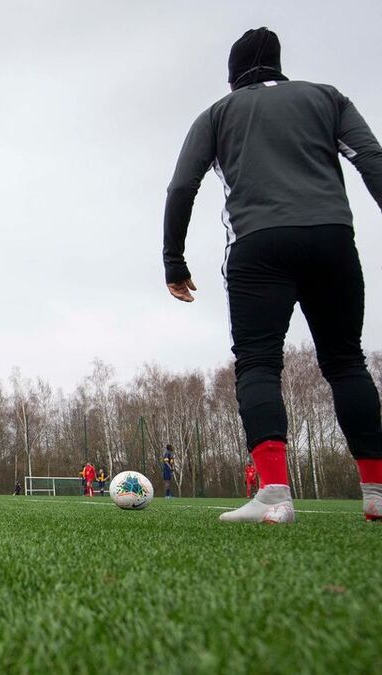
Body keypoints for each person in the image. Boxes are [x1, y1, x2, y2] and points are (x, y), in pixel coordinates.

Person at [162, 27, 382, 523]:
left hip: (259, 246)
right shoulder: (328, 98)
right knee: (346, 362)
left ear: (232, 73)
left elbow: (182, 186)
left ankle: (275, 494)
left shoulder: (219, 113)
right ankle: (376, 491)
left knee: (258, 364)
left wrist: (174, 260)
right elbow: (371, 158)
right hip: (331, 237)